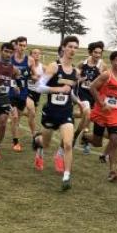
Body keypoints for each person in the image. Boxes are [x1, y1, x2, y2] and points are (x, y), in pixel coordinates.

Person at [32, 35, 80, 191]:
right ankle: (37, 142)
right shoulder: (54, 66)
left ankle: (66, 176)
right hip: (51, 112)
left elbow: (69, 92)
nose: (73, 50)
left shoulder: (75, 72)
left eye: (75, 47)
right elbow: (39, 87)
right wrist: (57, 89)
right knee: (45, 143)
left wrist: (77, 101)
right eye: (70, 46)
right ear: (64, 47)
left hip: (66, 112)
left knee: (67, 144)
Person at [83, 50, 117, 181]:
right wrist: (101, 103)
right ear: (112, 62)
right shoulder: (106, 75)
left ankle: (113, 171)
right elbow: (92, 88)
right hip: (101, 113)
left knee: (115, 140)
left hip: (114, 114)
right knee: (97, 142)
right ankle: (85, 137)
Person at [0, 42, 20, 160]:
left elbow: (15, 78)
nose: (8, 54)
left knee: (2, 123)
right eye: (6, 51)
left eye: (11, 52)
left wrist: (16, 86)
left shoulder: (14, 69)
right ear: (1, 51)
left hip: (4, 99)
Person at [74, 41, 105, 152]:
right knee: (87, 114)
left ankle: (85, 138)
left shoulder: (102, 65)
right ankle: (77, 135)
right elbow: (75, 78)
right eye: (95, 52)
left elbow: (105, 80)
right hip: (82, 93)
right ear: (90, 52)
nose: (97, 55)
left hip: (94, 95)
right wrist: (79, 79)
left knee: (89, 117)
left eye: (99, 53)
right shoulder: (82, 63)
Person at [9, 36, 38, 152]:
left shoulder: (30, 60)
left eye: (24, 46)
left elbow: (35, 75)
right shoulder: (10, 58)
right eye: (20, 45)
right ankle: (16, 142)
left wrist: (33, 77)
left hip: (23, 93)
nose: (22, 48)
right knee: (15, 117)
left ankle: (16, 137)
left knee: (18, 117)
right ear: (16, 46)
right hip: (10, 92)